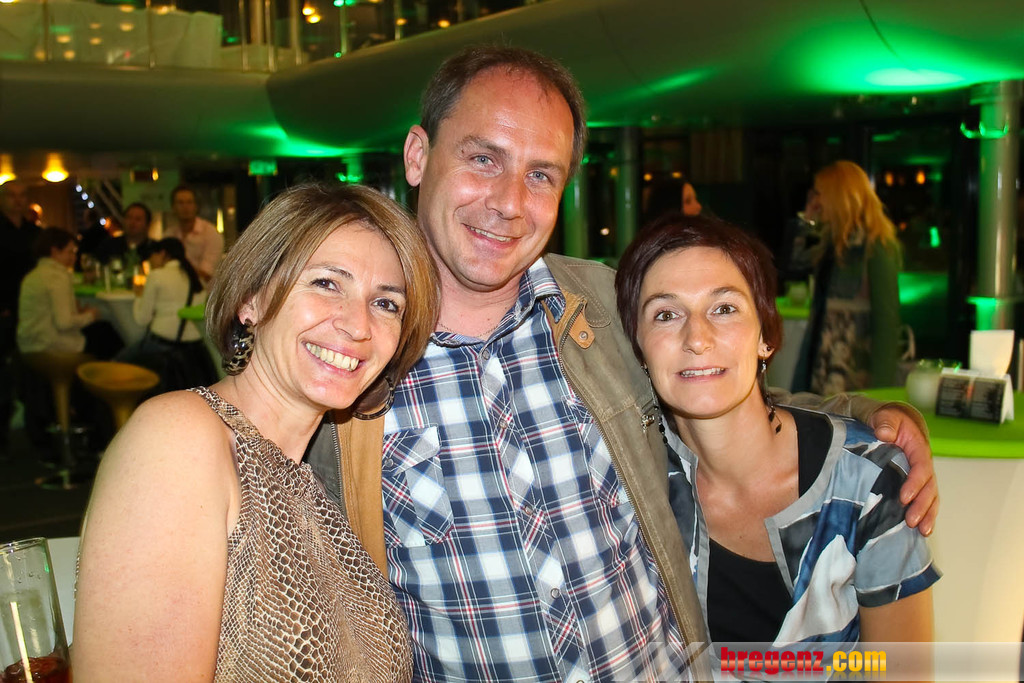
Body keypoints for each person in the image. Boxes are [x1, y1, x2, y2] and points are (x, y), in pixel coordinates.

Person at [306, 45, 938, 682]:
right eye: (483, 159)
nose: (509, 202)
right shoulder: (352, 353)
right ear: (418, 156)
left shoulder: (602, 310)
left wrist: (872, 416)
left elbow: (709, 386)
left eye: (541, 175)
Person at [73, 183, 440, 681]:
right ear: (252, 299)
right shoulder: (180, 440)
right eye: (327, 283)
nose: (359, 326)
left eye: (386, 304)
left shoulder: (309, 481)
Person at [615, 214, 937, 671]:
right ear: (640, 351)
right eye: (666, 315)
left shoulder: (865, 482)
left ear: (765, 337)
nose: (697, 339)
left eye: (724, 308)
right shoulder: (636, 488)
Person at [799, 160, 902, 394]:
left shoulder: (875, 247)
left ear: (837, 196)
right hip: (820, 365)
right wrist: (807, 221)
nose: (816, 200)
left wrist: (881, 390)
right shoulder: (831, 244)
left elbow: (886, 323)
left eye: (820, 193)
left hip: (853, 373)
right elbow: (793, 266)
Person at [120, 237, 216, 392]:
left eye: (152, 256)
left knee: (118, 363)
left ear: (162, 253)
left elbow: (142, 319)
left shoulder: (157, 276)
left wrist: (138, 296)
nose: (150, 261)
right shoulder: (196, 278)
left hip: (161, 346)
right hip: (195, 351)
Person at [0, 180, 39, 448]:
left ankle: (32, 427)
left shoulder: (34, 233)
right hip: (4, 311)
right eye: (11, 195)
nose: (17, 200)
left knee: (28, 369)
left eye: (22, 195)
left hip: (32, 313)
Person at [163, 184, 224, 283]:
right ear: (173, 207)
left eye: (189, 202)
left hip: (203, 291)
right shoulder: (169, 234)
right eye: (180, 203)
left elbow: (207, 274)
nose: (185, 207)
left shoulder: (211, 233)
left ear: (196, 206)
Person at [96, 201, 157, 266]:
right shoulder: (109, 246)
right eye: (129, 217)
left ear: (147, 224)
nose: (132, 222)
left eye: (138, 219)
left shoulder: (155, 250)